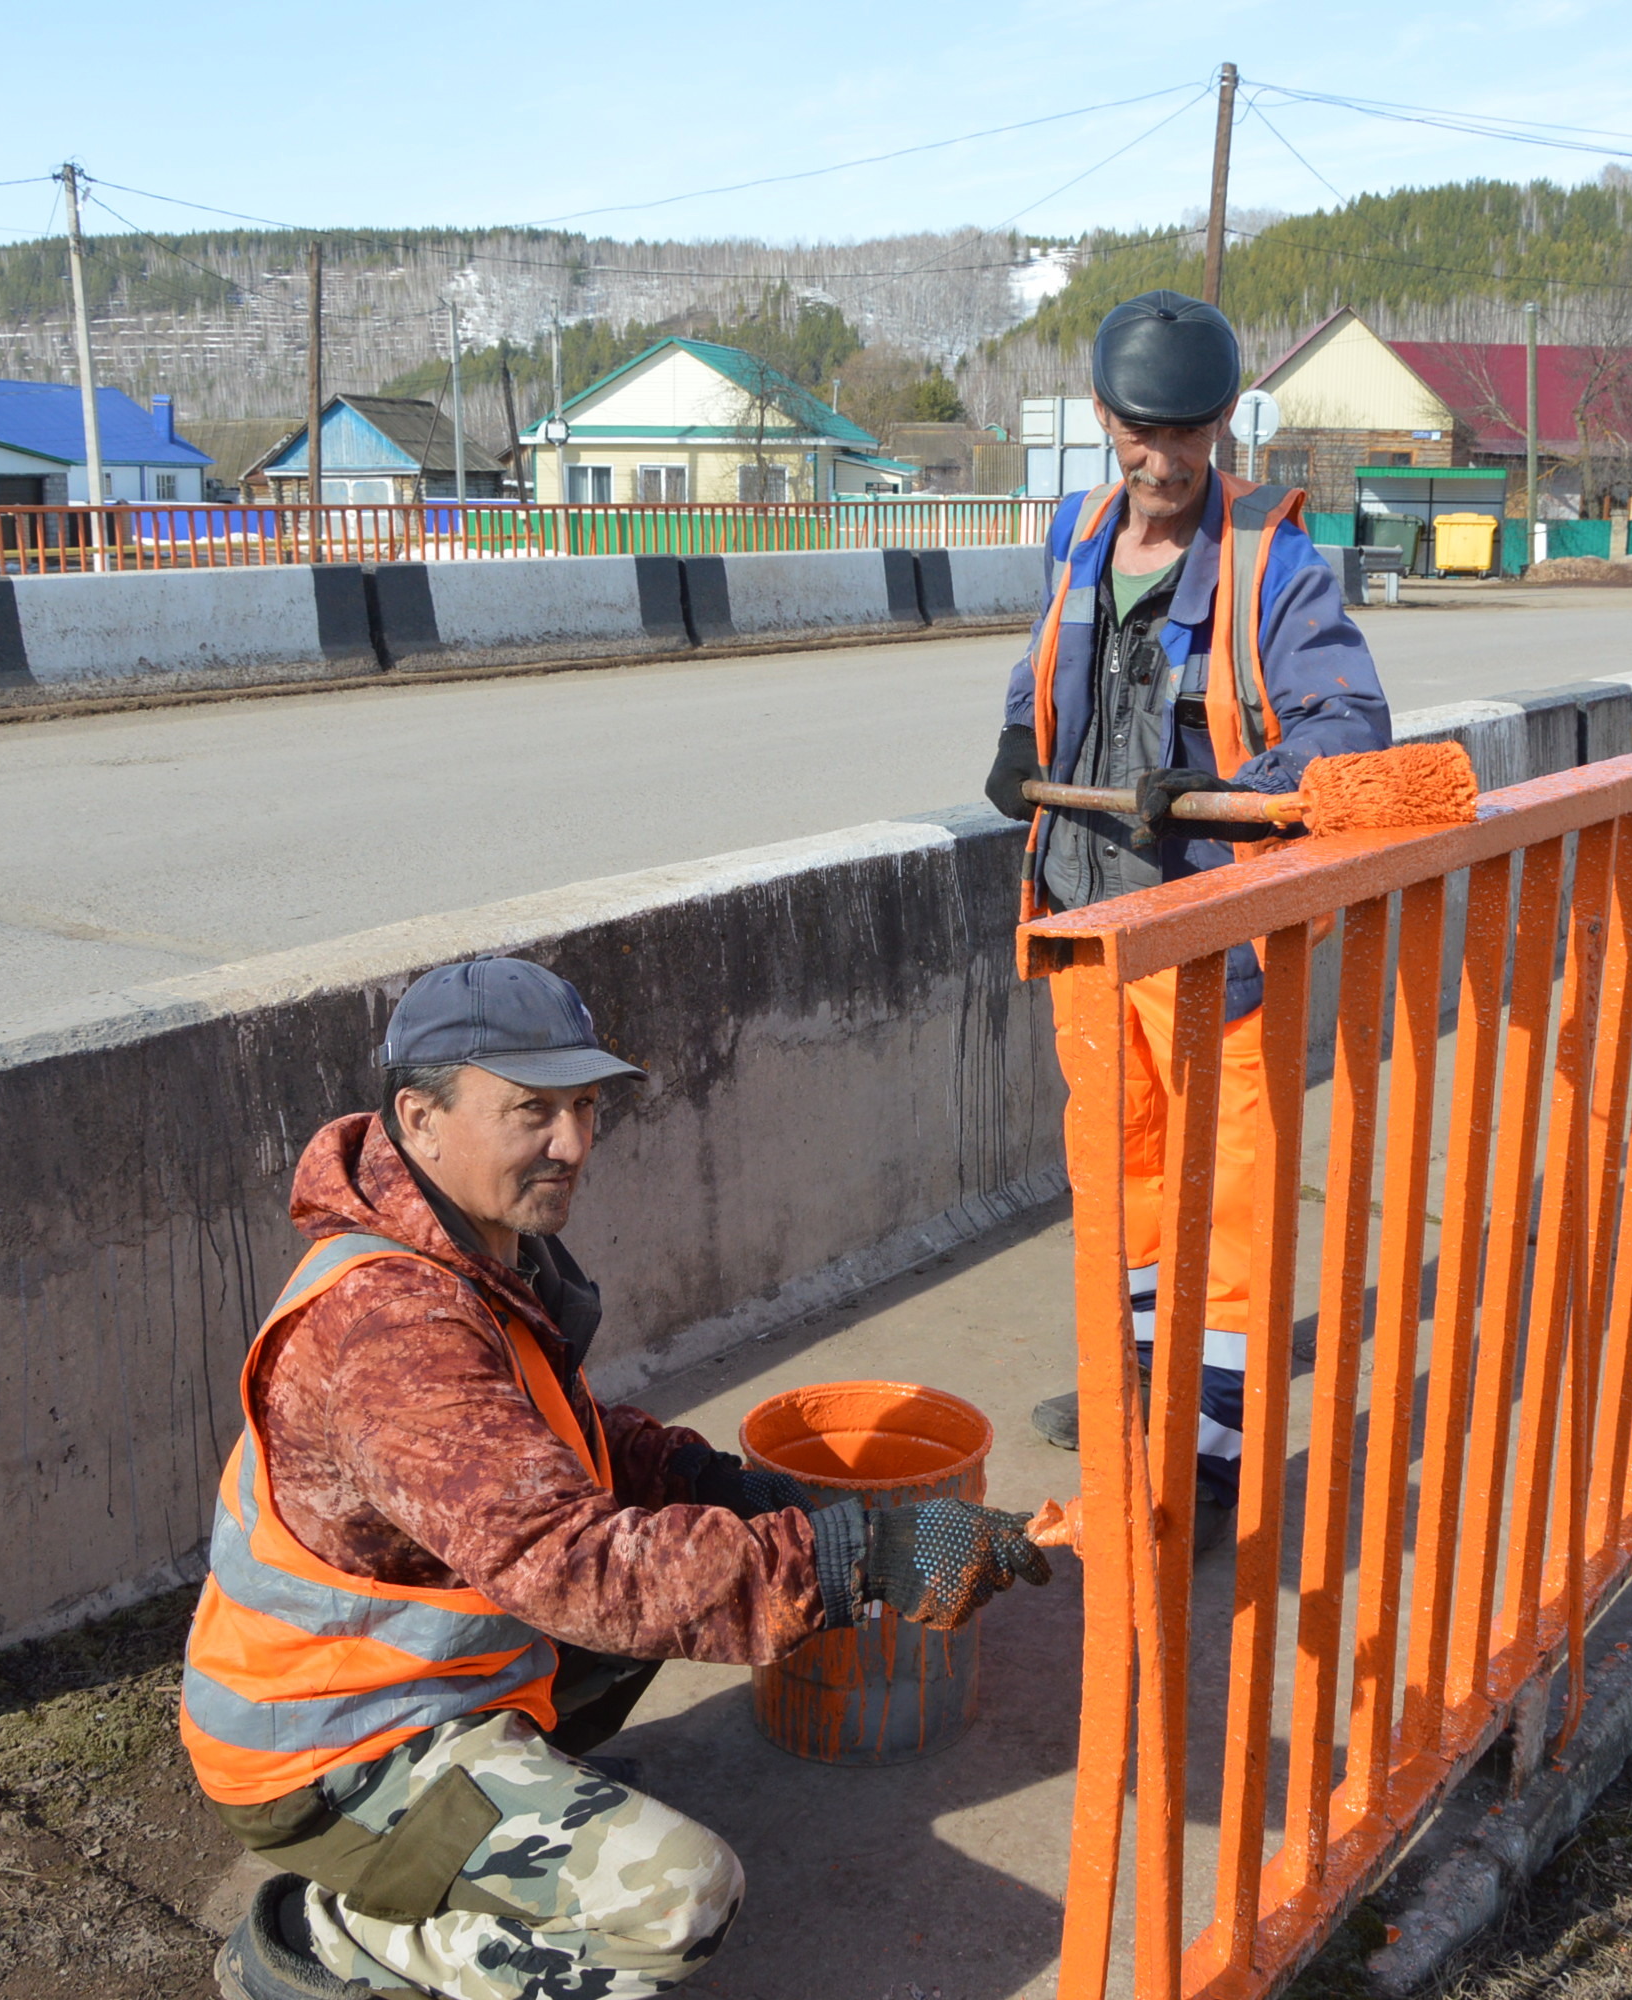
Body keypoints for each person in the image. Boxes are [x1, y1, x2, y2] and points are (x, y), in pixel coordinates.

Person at [186, 956, 1051, 2000]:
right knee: (681, 1895)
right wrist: (861, 1554)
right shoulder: (391, 1330)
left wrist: (740, 1492)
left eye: (586, 1107)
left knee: (675, 1557)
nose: (574, 1144)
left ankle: (502, 1808)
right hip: (327, 1749)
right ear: (419, 1116)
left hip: (422, 1682)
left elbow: (571, 1446)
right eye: (532, 1111)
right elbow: (573, 1564)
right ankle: (348, 1930)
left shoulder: (464, 1244)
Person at [986, 291, 1391, 1535]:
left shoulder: (1277, 563)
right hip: (1085, 926)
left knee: (1222, 1202)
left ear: (1220, 425)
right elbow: (1048, 654)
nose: (1158, 462)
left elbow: (1349, 734)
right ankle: (1142, 1386)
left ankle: (1208, 1454)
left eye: (1184, 436)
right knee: (1127, 1180)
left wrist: (1220, 795)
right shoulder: (1080, 530)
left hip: (1206, 938)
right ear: (1105, 419)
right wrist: (1015, 732)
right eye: (1137, 434)